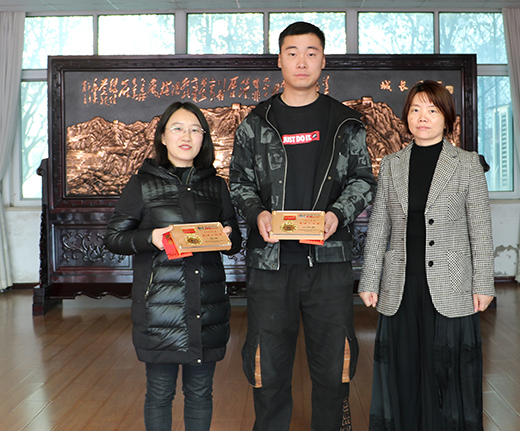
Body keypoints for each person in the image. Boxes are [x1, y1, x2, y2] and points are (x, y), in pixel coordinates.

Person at [229, 21, 376, 431]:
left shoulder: (345, 122)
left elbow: (364, 181)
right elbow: (239, 182)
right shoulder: (256, 122)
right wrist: (257, 214)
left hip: (328, 264)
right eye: (292, 53)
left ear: (323, 61)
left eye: (311, 53)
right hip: (271, 264)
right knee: (268, 367)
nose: (301, 61)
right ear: (279, 60)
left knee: (333, 367)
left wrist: (337, 215)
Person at [358, 80, 495, 431]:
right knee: (404, 369)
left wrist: (484, 284)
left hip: (451, 284)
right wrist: (369, 279)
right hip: (401, 284)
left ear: (447, 119)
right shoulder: (392, 164)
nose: (423, 117)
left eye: (432, 110)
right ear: (407, 116)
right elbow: (379, 226)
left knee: (447, 372)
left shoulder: (467, 164)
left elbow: (480, 229)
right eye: (416, 109)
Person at [104, 101, 242, 431]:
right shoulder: (142, 184)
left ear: (204, 139)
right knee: (160, 394)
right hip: (160, 311)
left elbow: (235, 240)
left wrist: (226, 236)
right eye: (177, 128)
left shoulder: (216, 185)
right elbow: (114, 238)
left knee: (201, 394)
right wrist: (151, 237)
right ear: (163, 137)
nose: (187, 136)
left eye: (195, 130)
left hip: (207, 307)